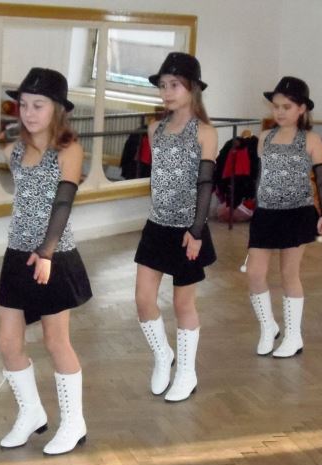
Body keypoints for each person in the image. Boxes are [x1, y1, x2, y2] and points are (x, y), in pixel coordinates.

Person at [0, 67, 92, 456]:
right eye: (24, 105)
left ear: (58, 109)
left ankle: (73, 422)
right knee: (7, 342)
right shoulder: (14, 151)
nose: (29, 113)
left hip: (54, 255)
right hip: (16, 254)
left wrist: (47, 251)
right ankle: (31, 412)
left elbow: (63, 202)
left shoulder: (69, 150)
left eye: (39, 105)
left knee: (55, 341)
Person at [135, 52, 218, 402]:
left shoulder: (206, 132)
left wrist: (196, 231)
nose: (166, 92)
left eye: (174, 85)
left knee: (184, 304)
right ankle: (162, 355)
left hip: (188, 230)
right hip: (157, 226)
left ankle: (186, 371)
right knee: (143, 300)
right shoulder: (155, 129)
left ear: (192, 89)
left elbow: (205, 184)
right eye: (163, 85)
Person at [246, 77, 322, 358]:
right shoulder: (264, 138)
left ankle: (293, 335)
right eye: (276, 106)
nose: (280, 112)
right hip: (266, 214)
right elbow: (261, 178)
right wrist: (256, 210)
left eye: (287, 107)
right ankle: (268, 326)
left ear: (302, 109)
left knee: (289, 274)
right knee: (255, 273)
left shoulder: (311, 139)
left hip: (297, 214)